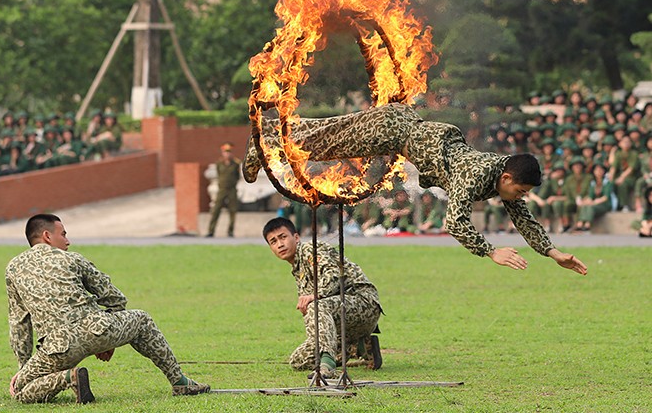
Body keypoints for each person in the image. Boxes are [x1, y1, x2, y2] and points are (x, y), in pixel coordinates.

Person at [245, 103, 587, 274]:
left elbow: (523, 217)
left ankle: (269, 137)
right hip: (394, 129)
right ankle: (265, 140)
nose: (521, 198)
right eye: (522, 191)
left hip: (402, 129)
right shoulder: (478, 172)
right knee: (325, 142)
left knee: (330, 136)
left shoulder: (502, 175)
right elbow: (455, 222)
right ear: (508, 180)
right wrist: (490, 251)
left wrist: (553, 253)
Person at [6, 214, 209, 404]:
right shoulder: (73, 259)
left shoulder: (13, 268)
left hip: (58, 347)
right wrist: (107, 338)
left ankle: (68, 378)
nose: (68, 241)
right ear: (47, 236)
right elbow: (114, 297)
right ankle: (180, 382)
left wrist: (24, 368)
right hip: (96, 329)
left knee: (20, 389)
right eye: (64, 234)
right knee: (142, 319)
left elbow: (19, 323)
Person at [263, 217, 383, 378]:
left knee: (317, 306)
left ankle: (327, 366)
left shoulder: (309, 249)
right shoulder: (297, 269)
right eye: (273, 241)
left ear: (296, 237)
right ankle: (361, 347)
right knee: (299, 360)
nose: (280, 244)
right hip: (341, 319)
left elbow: (332, 274)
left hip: (362, 302)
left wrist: (315, 296)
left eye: (283, 237)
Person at [206, 142, 241, 237]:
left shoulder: (236, 164)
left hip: (232, 189)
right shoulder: (219, 163)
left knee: (232, 211)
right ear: (223, 153)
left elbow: (238, 177)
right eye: (225, 152)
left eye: (229, 152)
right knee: (216, 210)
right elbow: (218, 175)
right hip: (222, 189)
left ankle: (230, 231)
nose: (227, 154)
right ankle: (211, 231)